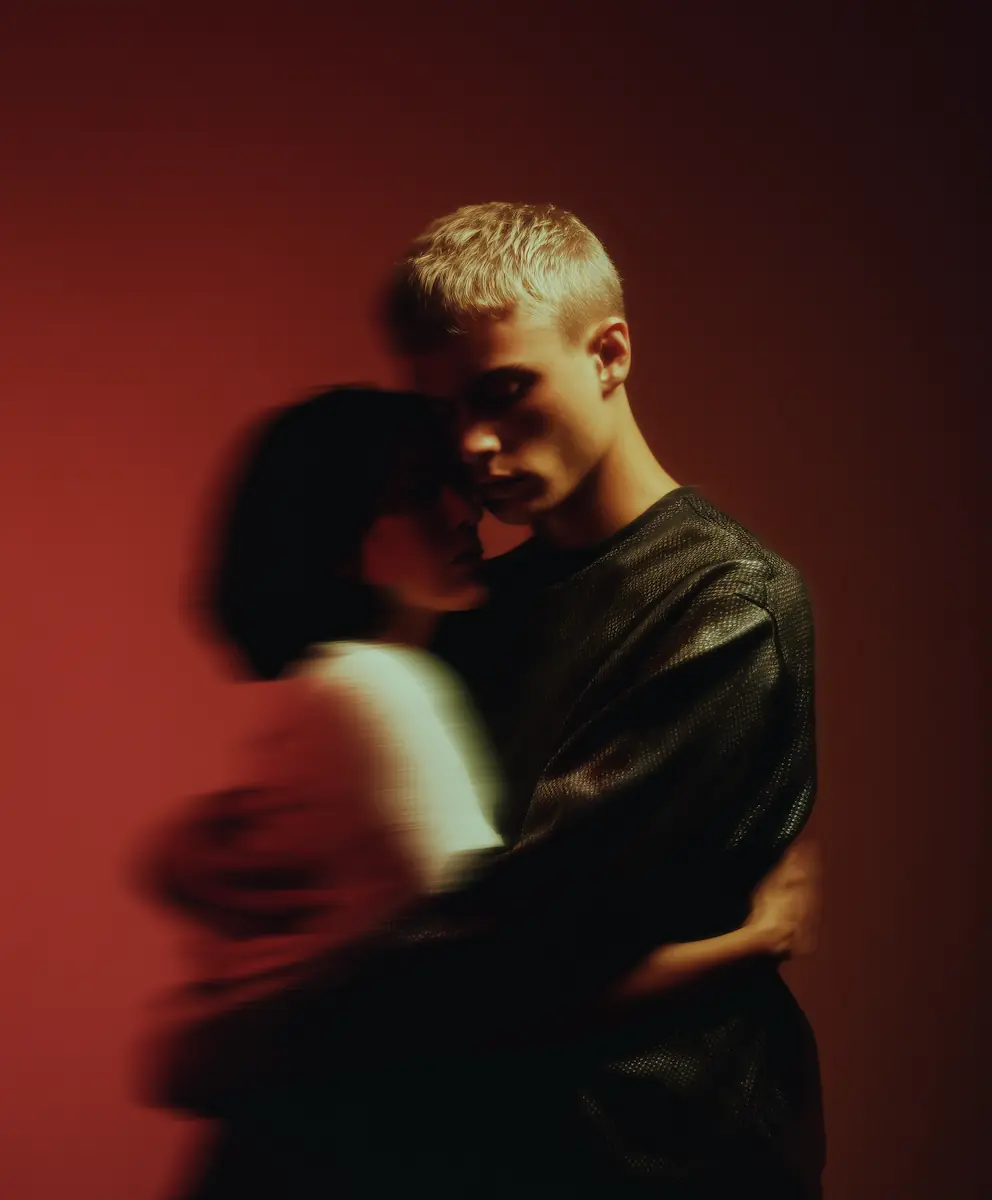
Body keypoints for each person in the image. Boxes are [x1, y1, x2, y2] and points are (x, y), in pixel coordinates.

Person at [136, 382, 818, 1199]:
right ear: (342, 540)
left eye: (451, 484)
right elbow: (497, 991)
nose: (466, 512)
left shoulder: (334, 685)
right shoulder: (378, 693)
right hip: (327, 1152)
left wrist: (177, 863)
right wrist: (748, 945)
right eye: (420, 494)